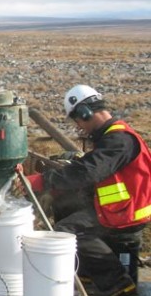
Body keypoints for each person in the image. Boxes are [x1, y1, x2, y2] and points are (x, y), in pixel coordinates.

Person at [22, 84, 149, 296]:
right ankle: (87, 277)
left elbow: (88, 171)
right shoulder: (112, 137)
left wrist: (43, 180)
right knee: (65, 207)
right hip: (117, 208)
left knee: (66, 232)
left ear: (85, 113)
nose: (79, 127)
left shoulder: (119, 140)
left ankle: (119, 287)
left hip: (124, 213)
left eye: (78, 121)